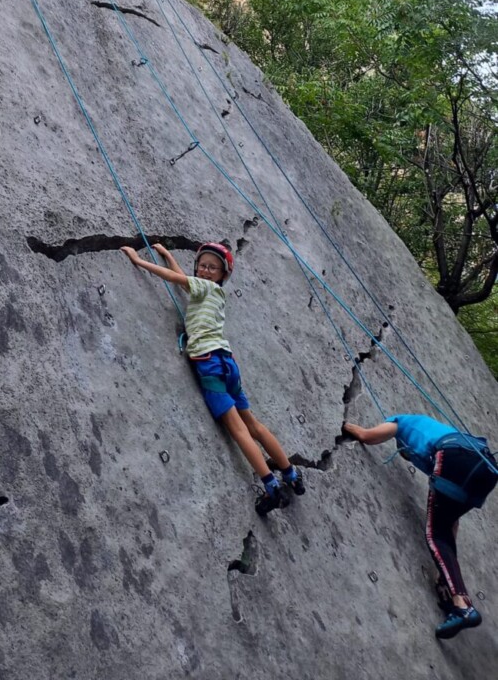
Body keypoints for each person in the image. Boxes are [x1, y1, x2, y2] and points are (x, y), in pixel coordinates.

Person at [120, 239, 305, 516]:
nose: (206, 271)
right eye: (203, 266)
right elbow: (185, 280)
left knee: (238, 430)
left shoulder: (204, 287)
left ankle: (272, 487)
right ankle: (291, 475)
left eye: (212, 268)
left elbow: (176, 279)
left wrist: (138, 260)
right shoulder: (214, 293)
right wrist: (168, 254)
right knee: (254, 425)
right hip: (228, 363)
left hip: (209, 364)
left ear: (222, 275)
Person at [343, 414, 497, 639]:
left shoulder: (401, 423)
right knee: (445, 526)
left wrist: (344, 424)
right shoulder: (434, 431)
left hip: (453, 456)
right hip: (485, 468)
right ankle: (452, 590)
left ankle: (463, 606)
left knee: (435, 535)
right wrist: (442, 575)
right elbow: (452, 523)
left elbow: (366, 436)